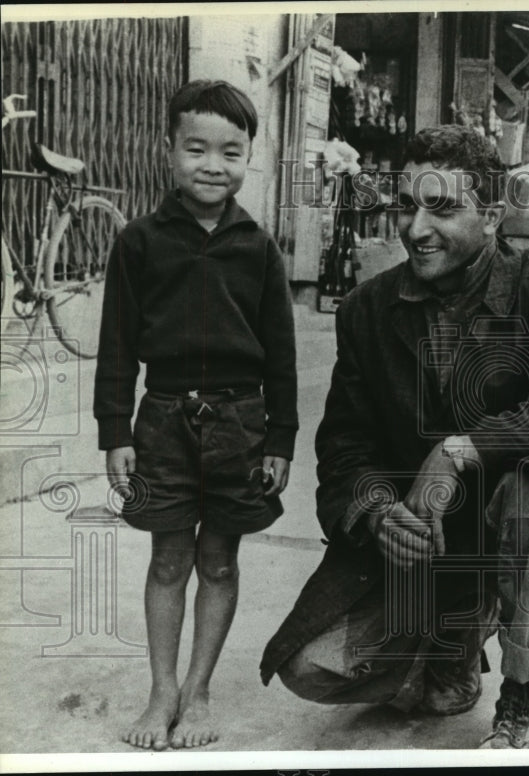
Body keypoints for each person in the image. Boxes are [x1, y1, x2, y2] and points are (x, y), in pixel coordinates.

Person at [260, 124, 529, 749]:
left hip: (527, 536)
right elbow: (345, 449)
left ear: (492, 214)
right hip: (428, 550)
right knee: (311, 665)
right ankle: (453, 643)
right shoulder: (366, 311)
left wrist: (462, 448)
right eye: (408, 204)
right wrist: (375, 513)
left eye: (443, 207)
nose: (416, 228)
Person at [94, 80, 298, 750]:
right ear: (168, 151)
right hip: (161, 422)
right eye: (196, 148)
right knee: (166, 561)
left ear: (248, 160)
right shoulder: (139, 243)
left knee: (218, 562)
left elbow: (282, 356)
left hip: (242, 424)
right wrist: (115, 433)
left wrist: (281, 438)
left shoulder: (260, 249)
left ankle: (200, 691)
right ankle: (161, 692)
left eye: (231, 152)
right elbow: (118, 347)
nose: (213, 164)